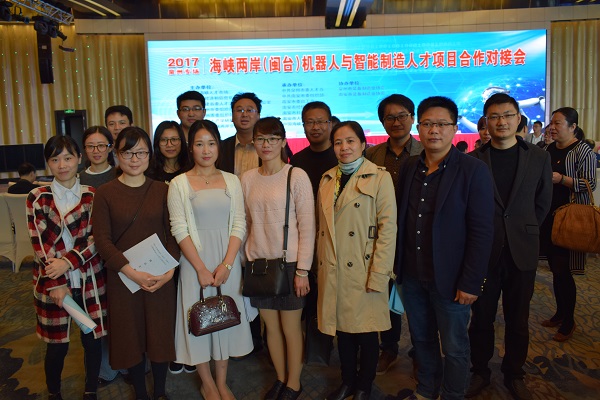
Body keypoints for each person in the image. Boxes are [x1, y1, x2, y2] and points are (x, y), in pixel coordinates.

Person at [393, 96, 494, 400]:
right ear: (418, 127)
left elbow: (481, 232)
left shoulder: (473, 170)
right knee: (421, 339)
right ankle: (426, 389)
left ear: (454, 127)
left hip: (451, 280)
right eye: (427, 124)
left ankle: (452, 394)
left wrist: (471, 282)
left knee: (454, 346)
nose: (433, 130)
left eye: (441, 124)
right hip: (413, 275)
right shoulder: (410, 167)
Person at [466, 93, 552, 400]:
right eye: (494, 116)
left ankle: (514, 373)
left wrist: (521, 230)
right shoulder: (473, 160)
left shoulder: (538, 157)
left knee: (518, 319)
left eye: (507, 115)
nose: (501, 121)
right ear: (486, 122)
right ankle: (480, 371)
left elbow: (542, 202)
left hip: (521, 251)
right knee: (481, 319)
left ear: (518, 119)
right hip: (484, 254)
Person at [93, 127, 180, 400]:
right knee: (130, 337)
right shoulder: (105, 193)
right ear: (117, 155)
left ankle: (160, 392)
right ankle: (141, 393)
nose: (134, 159)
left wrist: (169, 272)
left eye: (141, 152)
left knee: (160, 334)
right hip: (123, 279)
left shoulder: (162, 190)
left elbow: (174, 233)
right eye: (128, 153)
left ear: (149, 155)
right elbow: (102, 240)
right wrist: (130, 272)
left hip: (159, 277)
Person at [168, 120, 253, 400]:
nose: (206, 150)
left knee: (225, 318)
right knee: (199, 319)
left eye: (211, 143)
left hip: (227, 261)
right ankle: (207, 383)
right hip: (195, 263)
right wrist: (201, 269)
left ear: (219, 146)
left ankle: (222, 381)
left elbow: (239, 222)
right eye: (199, 144)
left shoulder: (232, 180)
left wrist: (227, 265)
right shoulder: (179, 183)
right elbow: (179, 228)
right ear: (190, 148)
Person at [317, 121, 397, 400]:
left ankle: (364, 385)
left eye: (350, 141)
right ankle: (347, 381)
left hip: (364, 268)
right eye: (338, 142)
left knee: (366, 331)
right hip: (334, 267)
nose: (344, 147)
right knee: (343, 331)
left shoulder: (380, 177)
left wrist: (379, 273)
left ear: (363, 144)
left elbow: (388, 230)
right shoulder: (328, 178)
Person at [26, 135, 106, 400]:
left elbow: (96, 240)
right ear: (47, 163)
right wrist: (56, 283)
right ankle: (54, 393)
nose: (62, 165)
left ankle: (91, 391)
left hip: (88, 278)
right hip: (52, 282)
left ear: (79, 159)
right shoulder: (37, 197)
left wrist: (67, 262)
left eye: (68, 158)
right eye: (55, 159)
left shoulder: (92, 195)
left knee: (92, 339)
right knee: (56, 346)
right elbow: (40, 245)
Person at [241, 117, 315, 400]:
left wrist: (303, 270)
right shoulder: (247, 179)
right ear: (253, 143)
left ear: (283, 141)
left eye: (273, 139)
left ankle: (294, 383)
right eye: (261, 139)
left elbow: (307, 226)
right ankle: (281, 379)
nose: (266, 144)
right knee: (270, 328)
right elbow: (245, 223)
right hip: (259, 266)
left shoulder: (296, 175)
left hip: (291, 265)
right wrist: (243, 262)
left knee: (291, 327)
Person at [365, 94, 422, 376]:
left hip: (417, 237)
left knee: (419, 297)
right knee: (386, 296)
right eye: (390, 117)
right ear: (382, 122)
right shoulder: (372, 155)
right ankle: (389, 348)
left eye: (402, 116)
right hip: (382, 237)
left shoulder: (425, 151)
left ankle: (421, 350)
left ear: (412, 118)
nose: (396, 122)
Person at [539, 107, 596, 342]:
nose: (552, 127)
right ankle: (560, 313)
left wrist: (563, 179)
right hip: (548, 217)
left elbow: (590, 183)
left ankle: (569, 321)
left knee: (563, 270)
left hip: (569, 220)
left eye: (558, 123)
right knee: (555, 268)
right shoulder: (548, 149)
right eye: (551, 123)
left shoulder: (583, 151)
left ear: (573, 127)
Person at [290, 101, 338, 199]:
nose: (315, 127)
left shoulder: (341, 157)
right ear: (303, 126)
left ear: (330, 124)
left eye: (320, 122)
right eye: (310, 122)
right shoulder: (297, 161)